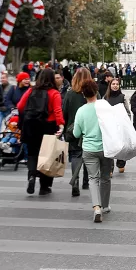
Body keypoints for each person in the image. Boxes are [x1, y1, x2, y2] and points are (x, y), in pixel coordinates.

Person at [17, 68, 65, 195]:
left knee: (32, 154)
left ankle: (32, 176)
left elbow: (20, 106)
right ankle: (44, 187)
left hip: (31, 126)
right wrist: (60, 124)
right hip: (48, 126)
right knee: (47, 156)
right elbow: (57, 110)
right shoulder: (54, 93)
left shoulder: (31, 90)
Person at [73, 79, 112, 222]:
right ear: (97, 91)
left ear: (83, 94)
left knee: (93, 178)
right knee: (106, 177)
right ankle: (106, 205)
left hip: (89, 148)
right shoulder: (105, 107)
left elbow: (76, 133)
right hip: (106, 147)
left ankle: (96, 207)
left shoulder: (81, 111)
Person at [63, 67, 91, 196]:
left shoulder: (70, 94)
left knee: (76, 155)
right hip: (90, 129)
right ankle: (86, 181)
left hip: (73, 129)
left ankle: (75, 182)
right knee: (88, 155)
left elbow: (65, 112)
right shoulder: (93, 93)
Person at [104, 77, 131, 173]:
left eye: (117, 84)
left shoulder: (122, 97)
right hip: (109, 126)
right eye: (113, 84)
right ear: (110, 85)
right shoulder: (105, 98)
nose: (115, 86)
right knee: (110, 147)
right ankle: (110, 169)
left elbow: (128, 112)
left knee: (121, 146)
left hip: (121, 126)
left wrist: (128, 124)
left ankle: (121, 163)